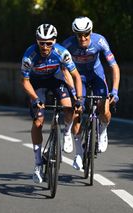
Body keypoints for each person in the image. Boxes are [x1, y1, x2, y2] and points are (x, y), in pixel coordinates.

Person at [21, 24, 83, 183]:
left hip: (55, 80)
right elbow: (25, 81)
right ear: (37, 41)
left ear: (54, 41)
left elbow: (75, 76)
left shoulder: (61, 52)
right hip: (36, 83)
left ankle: (67, 133)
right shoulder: (30, 55)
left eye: (49, 43)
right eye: (41, 42)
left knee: (69, 108)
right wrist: (35, 99)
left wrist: (79, 98)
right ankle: (37, 163)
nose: (45, 46)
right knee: (38, 121)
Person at [62, 16, 120, 170]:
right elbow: (63, 70)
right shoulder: (67, 44)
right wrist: (73, 91)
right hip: (78, 77)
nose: (82, 38)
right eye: (79, 35)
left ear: (91, 31)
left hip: (96, 75)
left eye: (86, 34)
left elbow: (114, 67)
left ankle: (102, 130)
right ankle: (79, 153)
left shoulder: (99, 41)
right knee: (77, 112)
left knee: (104, 107)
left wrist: (115, 90)